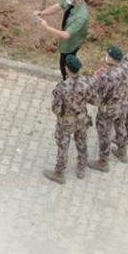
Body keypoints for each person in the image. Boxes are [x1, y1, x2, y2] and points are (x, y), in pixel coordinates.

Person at [44, 55, 91, 184]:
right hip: (81, 118)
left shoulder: (62, 87)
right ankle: (82, 167)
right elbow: (93, 99)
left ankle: (59, 173)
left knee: (63, 146)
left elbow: (56, 109)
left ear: (66, 69)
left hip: (66, 122)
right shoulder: (86, 82)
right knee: (81, 142)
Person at [36, 0, 90, 78]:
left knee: (65, 65)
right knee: (66, 65)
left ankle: (68, 83)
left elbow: (66, 35)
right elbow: (58, 6)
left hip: (71, 44)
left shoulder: (81, 16)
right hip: (66, 40)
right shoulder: (72, 2)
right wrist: (42, 13)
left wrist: (47, 27)